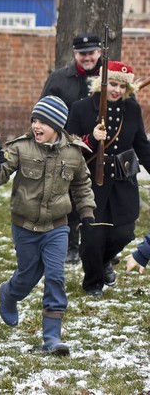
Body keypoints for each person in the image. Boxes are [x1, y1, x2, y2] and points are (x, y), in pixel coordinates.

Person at [0, 95, 95, 356]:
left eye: (43, 121)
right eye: (34, 120)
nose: (36, 126)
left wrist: (87, 212)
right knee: (28, 276)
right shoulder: (21, 148)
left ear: (57, 125)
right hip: (25, 226)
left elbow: (81, 184)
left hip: (57, 227)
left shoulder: (73, 151)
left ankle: (52, 338)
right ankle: (9, 293)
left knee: (56, 276)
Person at [66, 61, 150, 296]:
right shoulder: (81, 108)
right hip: (91, 183)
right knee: (92, 237)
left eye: (122, 87)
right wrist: (91, 138)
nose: (117, 90)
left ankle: (105, 261)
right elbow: (68, 144)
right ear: (101, 84)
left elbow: (142, 146)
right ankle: (93, 283)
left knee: (124, 232)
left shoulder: (132, 109)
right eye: (112, 84)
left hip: (123, 182)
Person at [41, 33, 103, 264]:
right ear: (75, 54)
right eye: (82, 53)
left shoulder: (110, 78)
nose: (87, 57)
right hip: (67, 148)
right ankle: (70, 245)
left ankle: (97, 245)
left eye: (91, 53)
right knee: (68, 201)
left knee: (98, 200)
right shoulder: (59, 78)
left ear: (99, 53)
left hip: (101, 151)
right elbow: (44, 111)